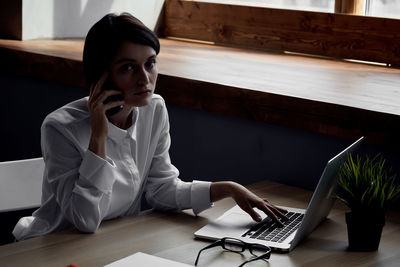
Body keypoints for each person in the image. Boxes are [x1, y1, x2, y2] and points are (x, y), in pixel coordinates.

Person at [13, 13, 287, 241]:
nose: (145, 79)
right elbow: (85, 220)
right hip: (53, 246)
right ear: (101, 76)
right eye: (128, 68)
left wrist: (228, 188)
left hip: (113, 240)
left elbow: (161, 190)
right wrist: (98, 136)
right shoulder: (60, 128)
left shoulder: (154, 109)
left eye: (150, 63)